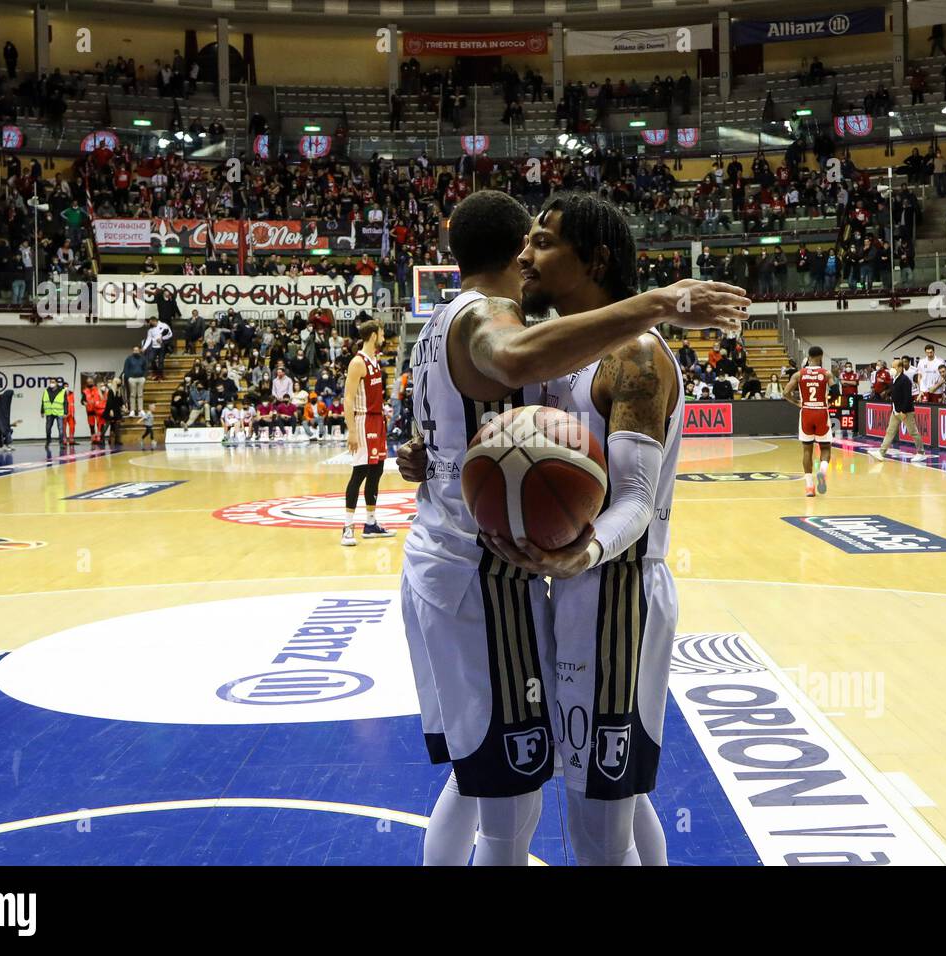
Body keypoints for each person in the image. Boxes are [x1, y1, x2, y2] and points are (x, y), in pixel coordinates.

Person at [394, 189, 745, 866]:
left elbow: (638, 499)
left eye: (545, 242)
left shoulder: (635, 356)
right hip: (553, 584)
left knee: (603, 804)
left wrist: (583, 556)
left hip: (616, 588)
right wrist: (438, 462)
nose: (526, 256)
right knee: (581, 784)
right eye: (524, 242)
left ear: (596, 260)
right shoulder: (558, 350)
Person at [340, 320, 394, 545]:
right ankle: (347, 526)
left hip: (376, 421)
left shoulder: (375, 360)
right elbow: (348, 399)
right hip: (362, 423)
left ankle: (370, 523)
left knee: (376, 472)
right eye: (381, 333)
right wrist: (351, 431)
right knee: (360, 473)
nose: (383, 336)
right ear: (373, 335)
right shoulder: (357, 362)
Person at [784, 346, 834, 497]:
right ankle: (822, 472)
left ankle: (809, 487)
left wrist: (797, 402)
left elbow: (785, 392)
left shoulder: (799, 374)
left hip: (806, 411)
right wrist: (830, 402)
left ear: (808, 356)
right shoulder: (826, 373)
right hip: (821, 412)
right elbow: (837, 391)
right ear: (821, 356)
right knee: (825, 448)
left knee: (807, 450)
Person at [868, 358, 928, 461]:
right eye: (891, 366)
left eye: (894, 367)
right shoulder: (894, 379)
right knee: (890, 431)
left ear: (900, 368)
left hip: (905, 411)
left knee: (913, 431)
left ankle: (921, 452)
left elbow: (907, 398)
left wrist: (903, 411)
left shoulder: (905, 380)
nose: (892, 369)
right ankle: (882, 452)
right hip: (895, 410)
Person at [41, 377, 68, 449]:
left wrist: (65, 412)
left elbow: (65, 402)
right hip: (49, 412)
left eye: (53, 382)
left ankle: (61, 443)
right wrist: (42, 411)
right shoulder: (46, 391)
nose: (51, 384)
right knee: (48, 428)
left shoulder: (62, 391)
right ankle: (48, 440)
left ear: (56, 383)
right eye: (50, 382)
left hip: (59, 412)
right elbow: (43, 401)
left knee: (61, 429)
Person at [122, 346, 147, 418]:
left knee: (140, 394)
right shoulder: (129, 359)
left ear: (139, 351)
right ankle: (132, 410)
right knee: (132, 394)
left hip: (141, 379)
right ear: (132, 351)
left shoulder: (143, 359)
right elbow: (125, 369)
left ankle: (140, 410)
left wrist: (144, 377)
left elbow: (145, 368)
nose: (136, 351)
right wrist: (129, 377)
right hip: (132, 379)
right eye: (134, 350)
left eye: (137, 350)